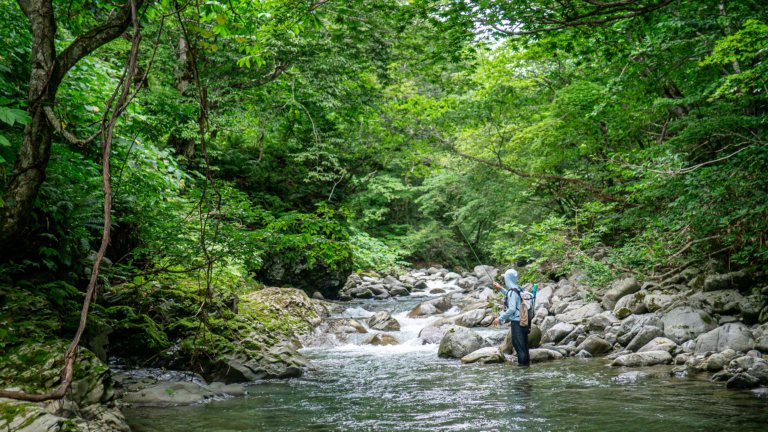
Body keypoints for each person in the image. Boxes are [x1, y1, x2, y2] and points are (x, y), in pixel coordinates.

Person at [492, 268, 530, 366]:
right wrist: (500, 289)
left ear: (508, 279)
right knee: (524, 347)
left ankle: (522, 369)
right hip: (524, 320)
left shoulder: (512, 292)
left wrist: (499, 318)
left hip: (517, 323)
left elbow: (512, 309)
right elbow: (510, 295)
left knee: (519, 347)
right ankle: (527, 368)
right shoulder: (519, 289)